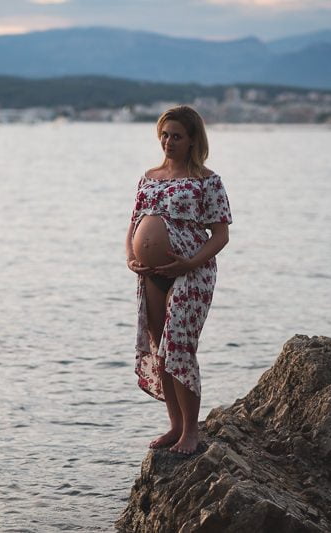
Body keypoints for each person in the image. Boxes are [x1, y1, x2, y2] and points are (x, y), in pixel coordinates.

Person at [125, 105, 232, 455]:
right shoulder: (149, 177)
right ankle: (174, 426)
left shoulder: (207, 181)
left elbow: (220, 235)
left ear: (192, 141)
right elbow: (134, 224)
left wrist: (189, 263)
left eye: (177, 136)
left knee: (180, 347)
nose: (168, 142)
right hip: (152, 275)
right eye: (165, 135)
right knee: (162, 350)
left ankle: (191, 432)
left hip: (192, 273)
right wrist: (131, 256)